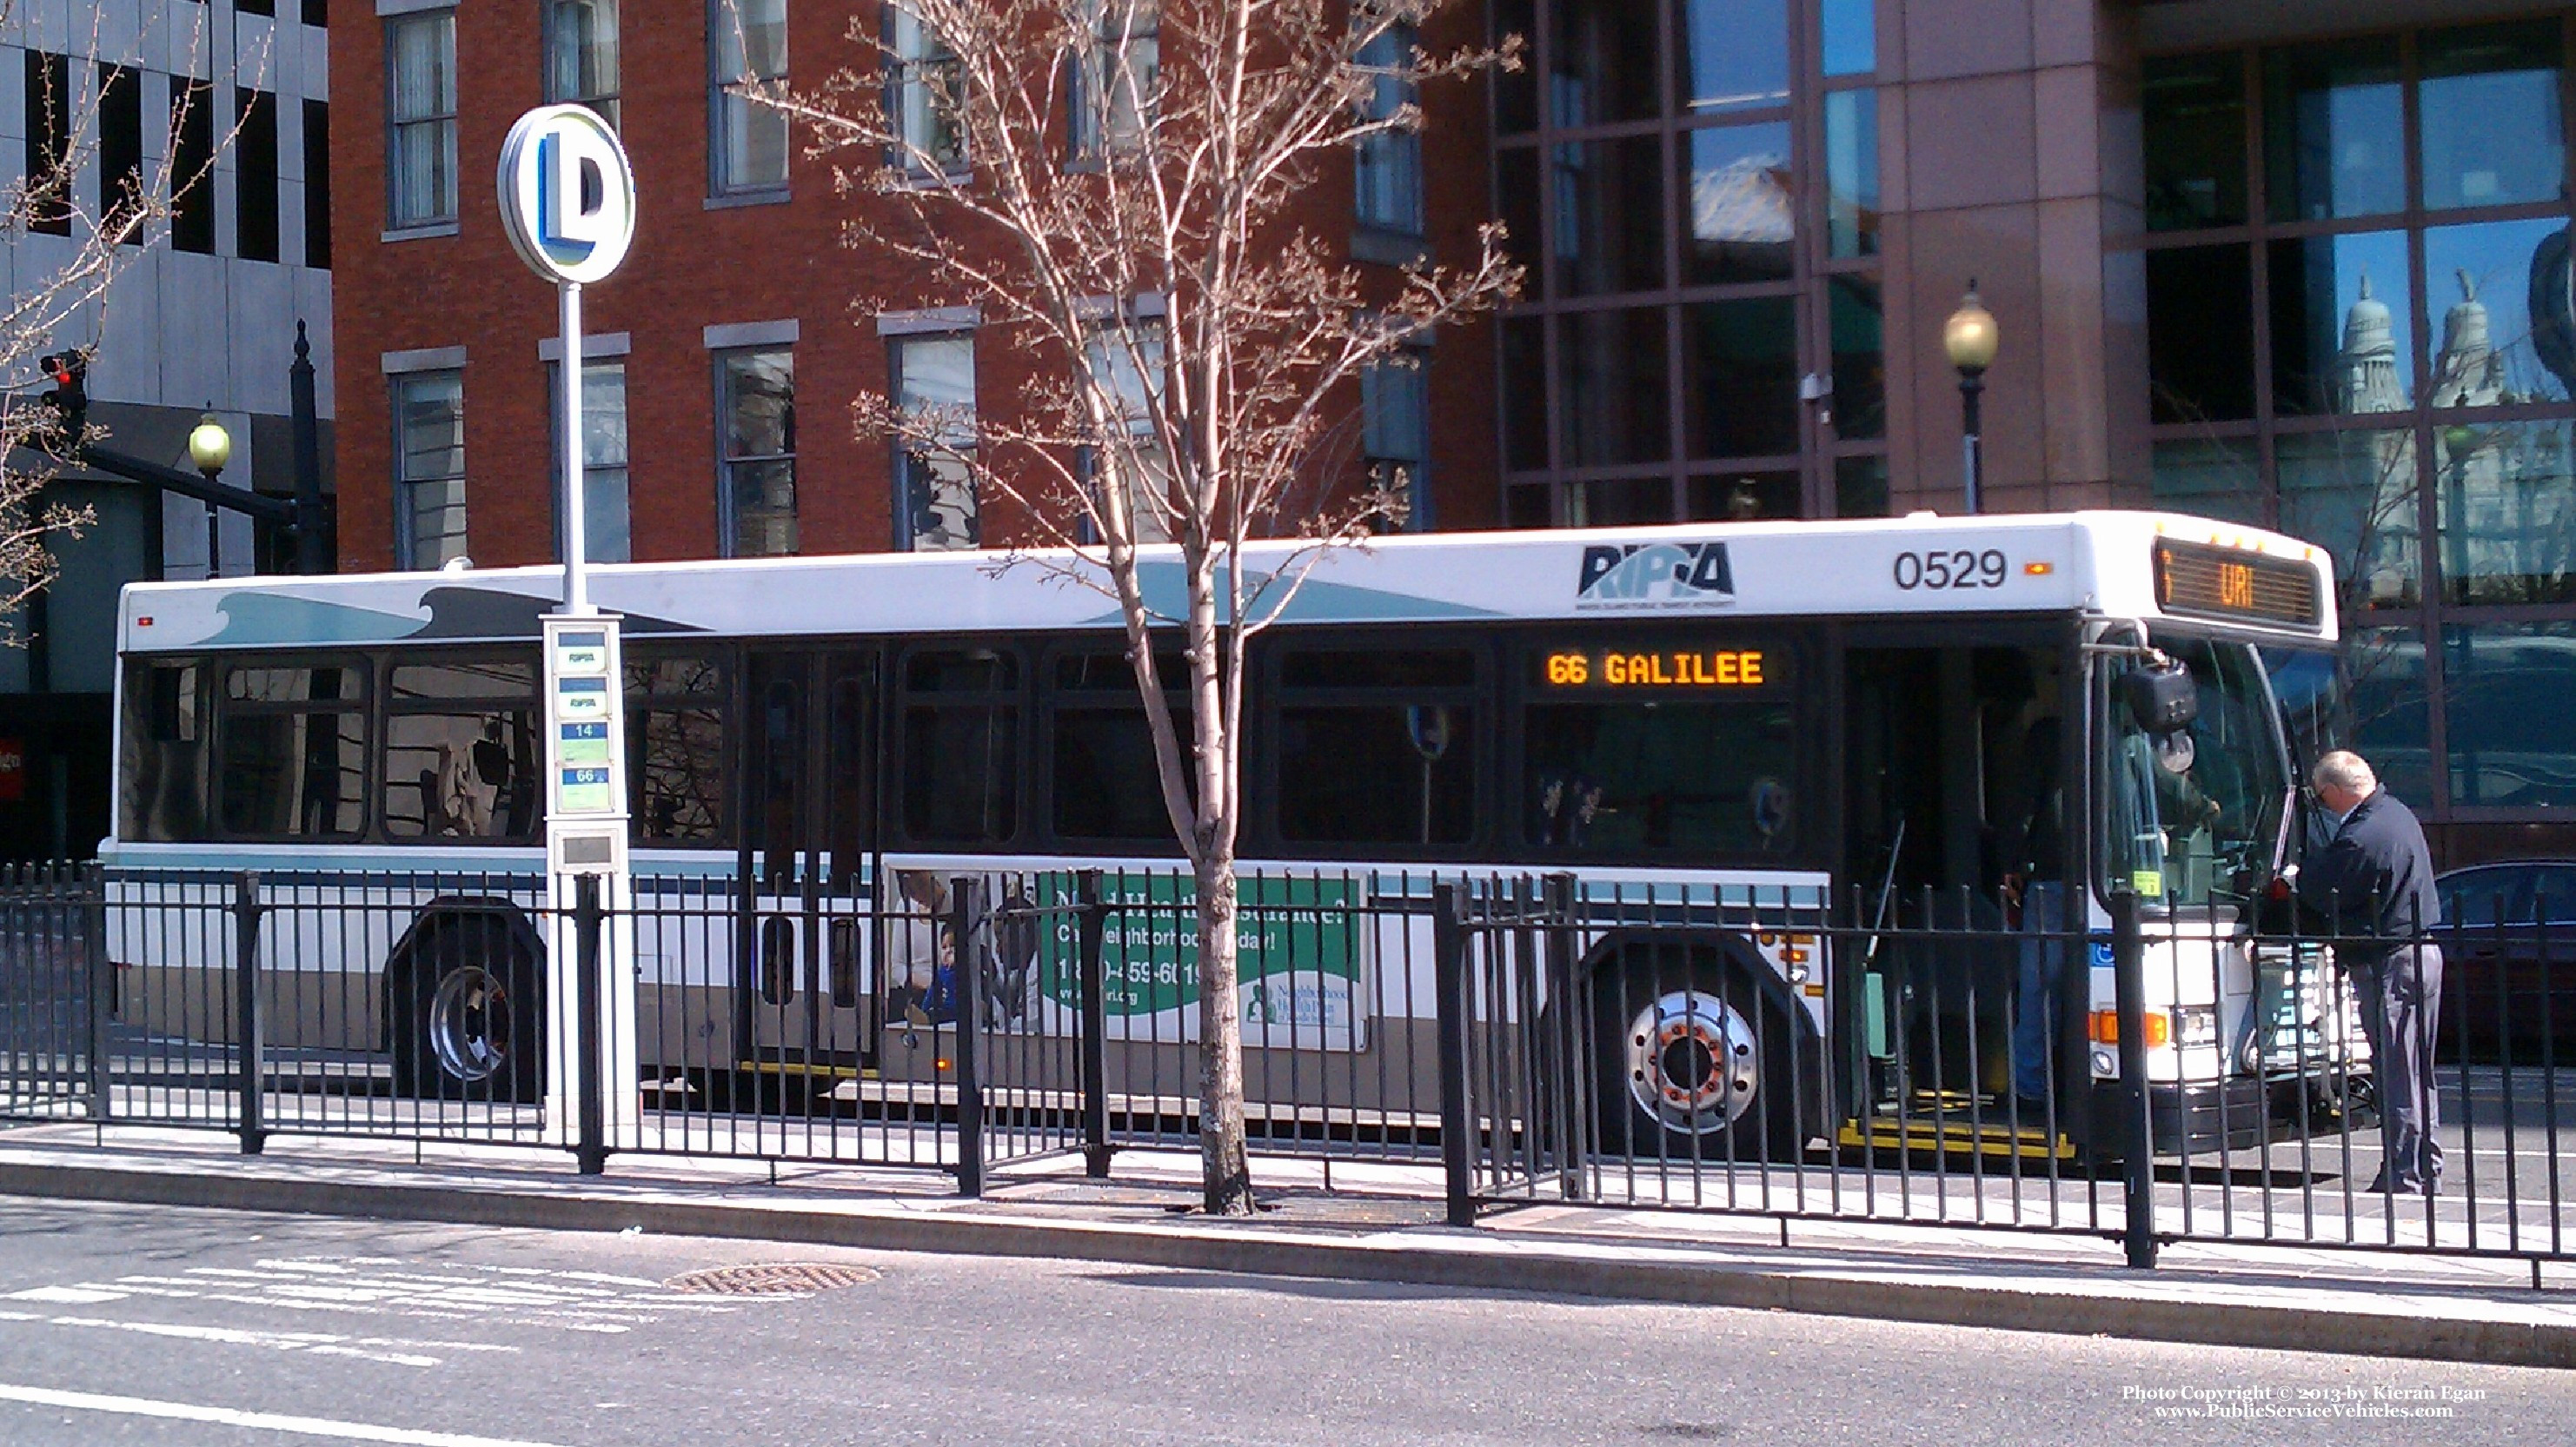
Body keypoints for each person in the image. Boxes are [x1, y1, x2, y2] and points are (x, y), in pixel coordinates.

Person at [2296, 750, 2444, 1195]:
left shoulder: (2361, 836)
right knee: (2417, 1070)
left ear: (2338, 790)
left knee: (2396, 1072)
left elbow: (2323, 893)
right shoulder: (2397, 815)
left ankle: (2405, 1174)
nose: (2325, 806)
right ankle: (2424, 1165)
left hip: (2390, 962)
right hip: (2420, 953)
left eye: (2324, 798)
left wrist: (2298, 877)